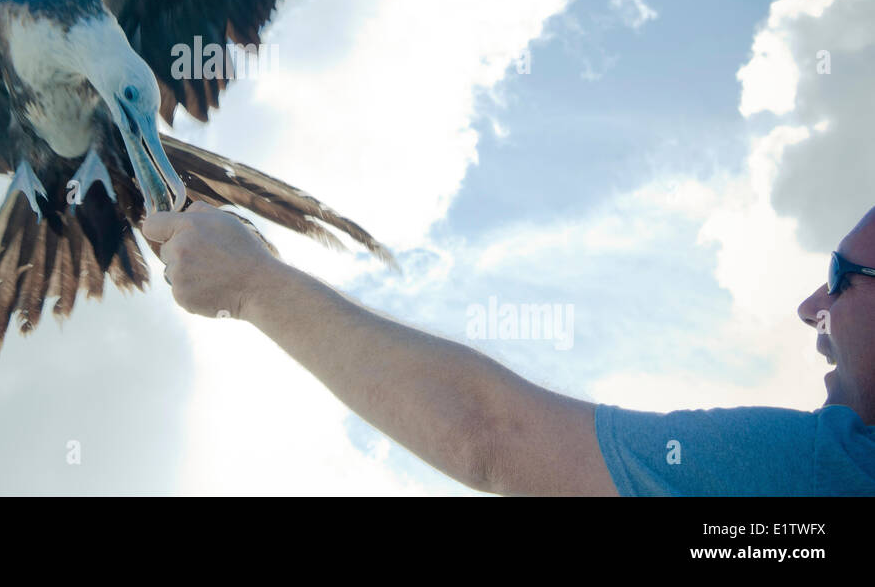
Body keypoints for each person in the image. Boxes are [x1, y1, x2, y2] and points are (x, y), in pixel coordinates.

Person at [143, 202, 875, 495]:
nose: (812, 306)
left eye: (841, 277)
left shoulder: (826, 472)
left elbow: (488, 432)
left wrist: (254, 283)